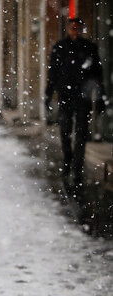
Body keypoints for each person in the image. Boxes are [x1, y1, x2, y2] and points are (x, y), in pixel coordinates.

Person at [45, 17, 108, 199]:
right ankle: (68, 160)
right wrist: (49, 95)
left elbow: (98, 74)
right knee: (65, 131)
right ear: (68, 29)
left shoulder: (89, 48)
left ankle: (77, 166)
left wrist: (101, 97)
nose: (75, 31)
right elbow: (53, 72)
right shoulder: (60, 47)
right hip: (66, 96)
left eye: (77, 28)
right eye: (72, 28)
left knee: (80, 133)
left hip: (83, 98)